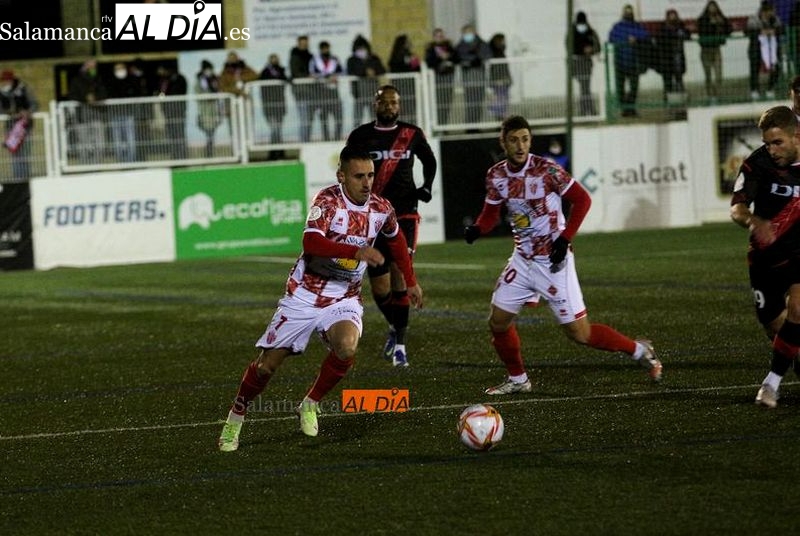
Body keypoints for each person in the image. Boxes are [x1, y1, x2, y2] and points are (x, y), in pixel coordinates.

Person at [217, 145, 423, 450]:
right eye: (358, 176)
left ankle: (310, 403)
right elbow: (311, 242)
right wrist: (355, 251)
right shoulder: (327, 201)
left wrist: (411, 281)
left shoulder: (381, 208)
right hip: (304, 296)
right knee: (266, 367)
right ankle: (235, 417)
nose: (367, 183)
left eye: (370, 176)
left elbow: (396, 240)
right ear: (341, 176)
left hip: (343, 298)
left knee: (346, 348)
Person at [463, 115, 662, 395]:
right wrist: (477, 229)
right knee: (497, 321)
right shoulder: (496, 175)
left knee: (581, 334)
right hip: (522, 260)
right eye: (513, 140)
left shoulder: (546, 170)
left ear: (530, 140)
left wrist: (565, 239)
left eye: (525, 139)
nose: (520, 146)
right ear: (503, 142)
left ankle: (641, 350)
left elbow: (582, 199)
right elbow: (491, 213)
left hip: (553, 262)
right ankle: (519, 380)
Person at [346, 85, 437, 367]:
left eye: (393, 102)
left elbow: (430, 160)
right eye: (383, 102)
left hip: (405, 214)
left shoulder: (411, 133)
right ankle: (395, 327)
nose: (388, 106)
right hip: (372, 219)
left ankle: (400, 345)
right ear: (375, 104)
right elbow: (349, 169)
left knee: (400, 276)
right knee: (380, 290)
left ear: (400, 105)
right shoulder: (361, 135)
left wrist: (427, 187)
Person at [730, 105, 800, 408]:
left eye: (777, 142)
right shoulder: (757, 164)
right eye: (767, 143)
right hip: (766, 256)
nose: (771, 150)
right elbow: (737, 207)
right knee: (775, 324)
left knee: (798, 308)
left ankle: (771, 384)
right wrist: (753, 221)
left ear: (796, 136)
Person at [608, 4, 651, 117]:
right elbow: (612, 37)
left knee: (634, 87)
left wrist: (635, 38)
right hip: (620, 61)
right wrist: (627, 39)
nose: (628, 14)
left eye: (630, 11)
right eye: (627, 12)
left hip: (634, 61)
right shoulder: (617, 26)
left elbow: (646, 35)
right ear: (623, 13)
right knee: (620, 88)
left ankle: (631, 107)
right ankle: (624, 108)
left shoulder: (637, 26)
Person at [67, 59, 108, 164]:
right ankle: (85, 167)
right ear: (85, 66)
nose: (92, 68)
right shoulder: (76, 80)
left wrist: (96, 98)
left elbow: (104, 93)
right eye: (90, 66)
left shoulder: (99, 79)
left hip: (97, 116)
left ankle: (97, 165)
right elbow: (72, 95)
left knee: (100, 144)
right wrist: (85, 99)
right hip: (81, 118)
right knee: (83, 144)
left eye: (94, 66)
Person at [0, 69, 37, 180]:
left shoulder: (24, 89)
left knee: (25, 153)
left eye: (6, 81)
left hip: (25, 126)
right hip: (11, 127)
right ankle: (18, 179)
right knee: (15, 154)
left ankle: (25, 178)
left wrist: (27, 112)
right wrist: (10, 113)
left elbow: (35, 104)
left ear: (12, 80)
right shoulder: (1, 93)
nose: (4, 84)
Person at [346, 34, 386, 130]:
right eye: (359, 49)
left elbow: (382, 70)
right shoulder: (352, 60)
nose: (361, 51)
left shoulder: (374, 58)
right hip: (359, 92)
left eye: (363, 48)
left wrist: (374, 71)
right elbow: (351, 72)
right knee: (357, 117)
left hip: (373, 91)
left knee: (375, 116)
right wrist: (364, 72)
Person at [455, 24, 492, 125]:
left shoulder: (482, 44)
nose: (468, 35)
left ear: (474, 32)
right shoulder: (460, 46)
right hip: (467, 79)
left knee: (478, 102)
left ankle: (476, 123)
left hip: (479, 78)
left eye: (469, 32)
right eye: (465, 33)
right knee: (469, 103)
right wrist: (469, 61)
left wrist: (477, 59)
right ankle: (470, 123)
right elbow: (458, 57)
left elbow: (487, 55)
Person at [696, 1, 732, 104]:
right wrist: (710, 24)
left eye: (714, 7)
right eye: (711, 7)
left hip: (716, 49)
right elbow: (701, 31)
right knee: (708, 75)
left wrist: (721, 23)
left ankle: (718, 94)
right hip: (705, 50)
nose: (713, 9)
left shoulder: (720, 18)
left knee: (718, 74)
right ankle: (710, 95)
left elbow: (729, 29)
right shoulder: (703, 20)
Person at [747, 1, 783, 101]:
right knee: (754, 68)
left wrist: (774, 31)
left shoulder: (775, 19)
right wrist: (760, 32)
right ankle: (754, 90)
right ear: (763, 11)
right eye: (769, 11)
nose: (771, 13)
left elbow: (781, 29)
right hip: (756, 48)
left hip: (773, 49)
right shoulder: (754, 19)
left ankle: (770, 88)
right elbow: (747, 31)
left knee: (775, 67)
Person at [107, 61, 141, 162]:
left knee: (131, 139)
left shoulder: (131, 80)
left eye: (121, 68)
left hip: (128, 114)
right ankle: (121, 162)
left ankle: (131, 161)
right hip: (115, 115)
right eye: (117, 69)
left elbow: (137, 93)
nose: (120, 70)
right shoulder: (111, 82)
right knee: (117, 140)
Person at [310, 40, 344, 141]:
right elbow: (312, 74)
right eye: (323, 48)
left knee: (338, 116)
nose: (325, 50)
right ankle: (326, 139)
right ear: (320, 49)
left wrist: (335, 76)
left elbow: (342, 71)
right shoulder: (315, 60)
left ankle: (337, 137)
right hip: (321, 92)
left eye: (327, 48)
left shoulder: (335, 59)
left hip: (334, 92)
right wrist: (324, 78)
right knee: (324, 118)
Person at [424, 28, 458, 125]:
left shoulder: (449, 47)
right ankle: (438, 123)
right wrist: (439, 58)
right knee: (438, 102)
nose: (440, 38)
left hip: (448, 77)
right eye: (438, 36)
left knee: (447, 101)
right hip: (437, 77)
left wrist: (448, 56)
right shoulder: (430, 48)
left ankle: (444, 124)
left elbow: (456, 58)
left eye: (442, 36)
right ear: (434, 37)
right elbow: (429, 62)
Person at [259, 53, 289, 159]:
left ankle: (278, 151)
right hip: (270, 105)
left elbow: (286, 79)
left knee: (278, 129)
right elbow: (262, 90)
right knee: (274, 129)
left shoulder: (281, 70)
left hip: (279, 104)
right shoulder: (265, 72)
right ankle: (274, 151)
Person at [154, 63, 188, 160]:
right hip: (167, 112)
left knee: (179, 135)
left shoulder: (180, 79)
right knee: (171, 135)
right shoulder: (164, 80)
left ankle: (182, 157)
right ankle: (174, 156)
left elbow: (179, 92)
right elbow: (161, 93)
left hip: (178, 112)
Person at [571, 11, 601, 116]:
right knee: (585, 88)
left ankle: (586, 111)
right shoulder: (572, 32)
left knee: (585, 88)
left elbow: (598, 46)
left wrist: (591, 50)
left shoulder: (590, 32)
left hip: (586, 64)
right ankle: (589, 110)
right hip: (576, 63)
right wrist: (582, 50)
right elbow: (569, 47)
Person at [655, 9, 690, 100]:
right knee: (668, 82)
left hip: (678, 57)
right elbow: (659, 39)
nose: (673, 18)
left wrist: (682, 33)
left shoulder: (680, 26)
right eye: (671, 15)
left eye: (674, 15)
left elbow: (687, 35)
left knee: (679, 79)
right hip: (666, 59)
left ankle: (681, 100)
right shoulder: (663, 28)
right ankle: (668, 100)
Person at [388, 34, 421, 124]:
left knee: (411, 108)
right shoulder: (395, 56)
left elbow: (417, 69)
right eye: (407, 42)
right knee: (401, 109)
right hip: (400, 86)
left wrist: (416, 63)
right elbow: (394, 67)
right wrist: (406, 62)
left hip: (410, 85)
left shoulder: (411, 55)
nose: (409, 44)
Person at [195, 59, 223, 158]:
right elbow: (197, 93)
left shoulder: (215, 79)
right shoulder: (200, 80)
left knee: (212, 133)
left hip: (214, 110)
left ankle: (210, 152)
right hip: (205, 110)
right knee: (208, 132)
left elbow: (219, 91)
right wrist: (208, 97)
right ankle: (208, 153)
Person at [289, 35, 315, 142]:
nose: (304, 45)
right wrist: (307, 76)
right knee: (304, 118)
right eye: (302, 43)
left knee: (309, 119)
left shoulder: (310, 56)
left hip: (311, 91)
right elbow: (295, 72)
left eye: (306, 43)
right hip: (301, 91)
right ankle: (304, 142)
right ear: (298, 44)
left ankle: (307, 140)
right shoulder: (295, 56)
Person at [487, 33, 512, 121]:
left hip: (503, 80)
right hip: (499, 80)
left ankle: (502, 120)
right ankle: (501, 121)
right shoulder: (495, 53)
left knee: (502, 101)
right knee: (500, 101)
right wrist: (498, 79)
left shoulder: (501, 52)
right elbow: (496, 68)